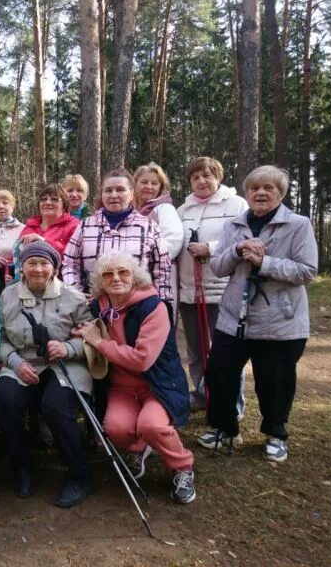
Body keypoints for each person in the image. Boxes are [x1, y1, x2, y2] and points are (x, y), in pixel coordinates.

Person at [203, 166, 317, 463]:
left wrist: (264, 263)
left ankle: (276, 433)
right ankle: (224, 428)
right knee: (219, 373)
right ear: (247, 192)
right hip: (233, 318)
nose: (261, 193)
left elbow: (307, 270)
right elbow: (217, 267)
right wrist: (238, 249)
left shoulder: (298, 224)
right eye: (255, 188)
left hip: (280, 320)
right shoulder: (234, 226)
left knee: (274, 381)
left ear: (281, 193)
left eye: (269, 188)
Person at [76, 250, 195, 504]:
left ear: (135, 276)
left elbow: (142, 360)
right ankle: (138, 449)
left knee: (152, 425)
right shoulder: (99, 305)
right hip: (121, 386)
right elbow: (85, 329)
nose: (116, 278)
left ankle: (183, 466)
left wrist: (100, 343)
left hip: (157, 384)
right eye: (108, 274)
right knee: (115, 428)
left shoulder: (154, 307)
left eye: (123, 272)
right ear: (100, 281)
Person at [0, 241, 93, 507]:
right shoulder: (8, 296)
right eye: (31, 263)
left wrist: (67, 347)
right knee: (5, 398)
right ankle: (22, 467)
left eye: (44, 263)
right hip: (23, 360)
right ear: (22, 268)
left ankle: (78, 474)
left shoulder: (73, 297)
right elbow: (0, 338)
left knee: (56, 405)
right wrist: (15, 363)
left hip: (66, 363)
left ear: (55, 267)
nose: (38, 269)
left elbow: (92, 339)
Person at [176, 157, 248, 413]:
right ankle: (203, 393)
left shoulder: (237, 204)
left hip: (223, 290)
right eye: (195, 177)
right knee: (196, 352)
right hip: (189, 291)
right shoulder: (183, 210)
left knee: (225, 351)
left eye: (207, 175)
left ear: (218, 177)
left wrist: (211, 248)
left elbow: (245, 239)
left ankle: (231, 404)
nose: (201, 181)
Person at [62, 169, 172, 302]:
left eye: (120, 190)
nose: (113, 195)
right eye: (108, 190)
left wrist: (163, 304)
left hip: (137, 306)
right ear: (102, 195)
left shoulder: (149, 227)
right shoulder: (86, 226)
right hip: (94, 306)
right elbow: (69, 263)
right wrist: (76, 293)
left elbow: (162, 269)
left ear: (131, 194)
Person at [133, 162, 184, 306]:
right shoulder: (130, 210)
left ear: (160, 187)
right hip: (132, 274)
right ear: (135, 184)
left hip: (159, 273)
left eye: (154, 183)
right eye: (144, 182)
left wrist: (143, 257)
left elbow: (173, 242)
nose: (148, 186)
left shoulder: (164, 209)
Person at [14, 184, 79, 261]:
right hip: (26, 272)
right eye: (43, 199)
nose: (47, 202)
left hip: (61, 272)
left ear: (64, 205)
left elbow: (72, 255)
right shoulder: (31, 226)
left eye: (54, 199)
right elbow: (16, 255)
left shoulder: (73, 225)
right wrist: (8, 272)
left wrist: (44, 241)